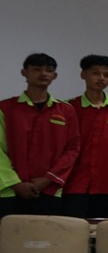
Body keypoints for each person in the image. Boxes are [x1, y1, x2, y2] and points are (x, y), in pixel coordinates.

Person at [0, 53, 81, 218]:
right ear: (24, 72)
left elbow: (72, 148)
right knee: (9, 234)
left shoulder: (66, 110)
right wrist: (16, 183)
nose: (43, 73)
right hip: (9, 190)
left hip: (50, 189)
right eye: (36, 69)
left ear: (54, 76)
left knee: (46, 234)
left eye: (49, 70)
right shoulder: (6, 108)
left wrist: (48, 179)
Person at [62, 54, 108, 219]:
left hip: (105, 181)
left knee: (98, 228)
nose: (101, 78)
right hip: (74, 180)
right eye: (96, 73)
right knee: (72, 226)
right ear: (83, 74)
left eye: (107, 75)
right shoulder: (69, 107)